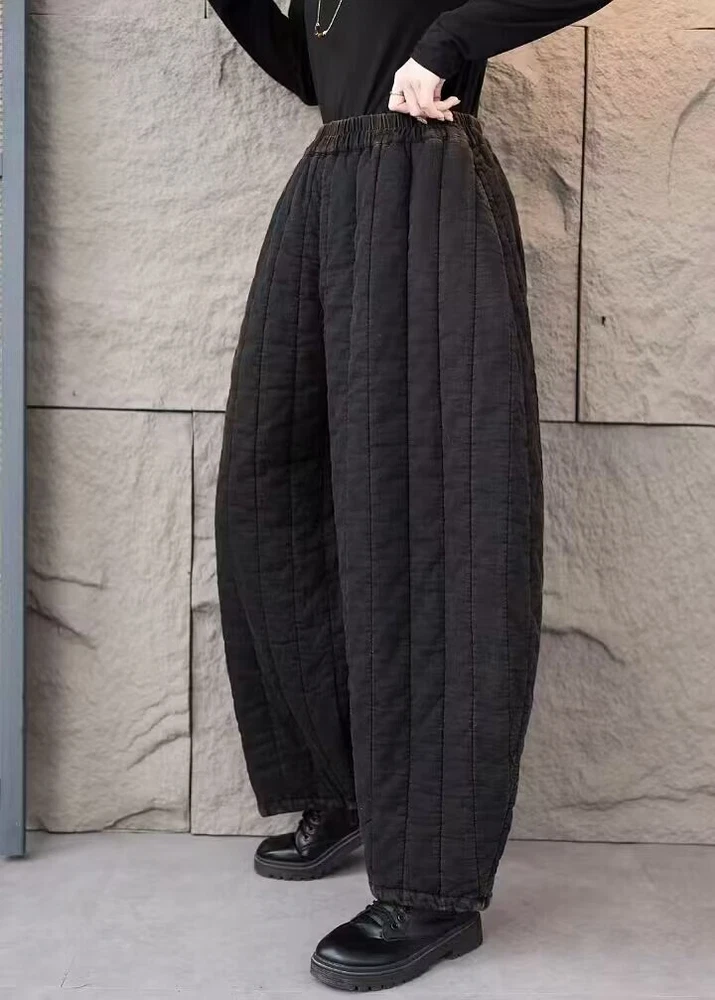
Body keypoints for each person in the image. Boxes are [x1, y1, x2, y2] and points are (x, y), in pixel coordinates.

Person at [211, 0, 612, 991]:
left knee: (435, 518)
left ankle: (433, 888)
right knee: (275, 492)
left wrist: (448, 42)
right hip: (330, 183)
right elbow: (314, 70)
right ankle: (345, 785)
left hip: (422, 182)